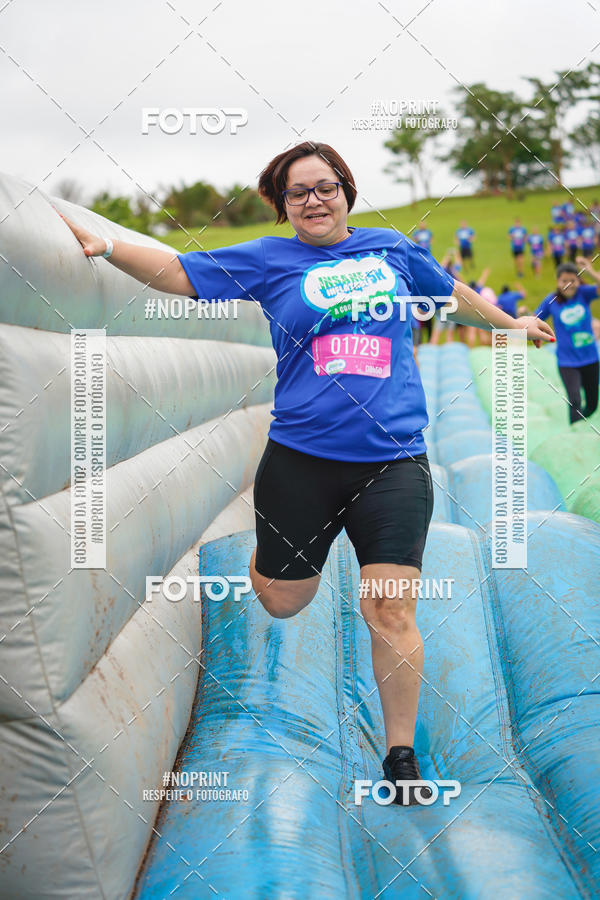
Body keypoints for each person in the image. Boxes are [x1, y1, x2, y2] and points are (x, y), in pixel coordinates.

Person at [56, 141, 554, 806]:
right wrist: (109, 248)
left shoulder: (392, 251)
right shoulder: (269, 259)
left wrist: (509, 322)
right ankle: (270, 560)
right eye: (299, 192)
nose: (314, 200)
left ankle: (400, 755)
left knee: (390, 610)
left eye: (326, 187)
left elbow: (451, 293)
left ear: (346, 191)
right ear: (284, 204)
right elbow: (179, 271)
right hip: (301, 461)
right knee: (284, 600)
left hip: (393, 461)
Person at [534, 259, 599, 424]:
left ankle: (582, 423)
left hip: (590, 359)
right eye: (564, 281)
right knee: (575, 400)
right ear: (557, 281)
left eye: (573, 280)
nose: (568, 285)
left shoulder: (583, 293)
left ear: (578, 280)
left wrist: (590, 271)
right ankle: (575, 431)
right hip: (567, 361)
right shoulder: (551, 300)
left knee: (592, 405)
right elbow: (535, 319)